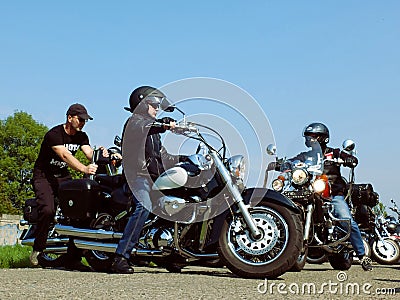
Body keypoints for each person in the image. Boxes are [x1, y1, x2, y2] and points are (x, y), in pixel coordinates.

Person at [110, 86, 183, 274]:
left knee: (174, 204)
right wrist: (165, 124)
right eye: (153, 104)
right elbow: (146, 127)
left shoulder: (154, 134)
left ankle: (169, 254)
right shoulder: (135, 123)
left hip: (154, 179)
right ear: (142, 104)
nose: (157, 108)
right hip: (137, 177)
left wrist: (186, 159)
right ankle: (120, 257)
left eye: (158, 105)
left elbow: (163, 156)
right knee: (144, 205)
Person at [30, 103, 108, 270]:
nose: (82, 123)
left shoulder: (82, 136)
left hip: (63, 177)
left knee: (79, 211)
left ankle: (73, 258)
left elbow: (89, 154)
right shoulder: (54, 134)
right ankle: (38, 248)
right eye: (80, 120)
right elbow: (65, 155)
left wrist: (104, 155)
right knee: (48, 210)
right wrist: (84, 169)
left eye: (85, 121)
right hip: (44, 176)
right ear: (70, 118)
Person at [290, 122, 372, 271]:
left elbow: (349, 158)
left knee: (346, 221)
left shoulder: (333, 153)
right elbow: (292, 161)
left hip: (333, 194)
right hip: (310, 192)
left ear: (323, 138)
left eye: (313, 136)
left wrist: (349, 159)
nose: (310, 139)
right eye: (308, 136)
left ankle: (362, 255)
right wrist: (281, 164)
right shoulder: (305, 156)